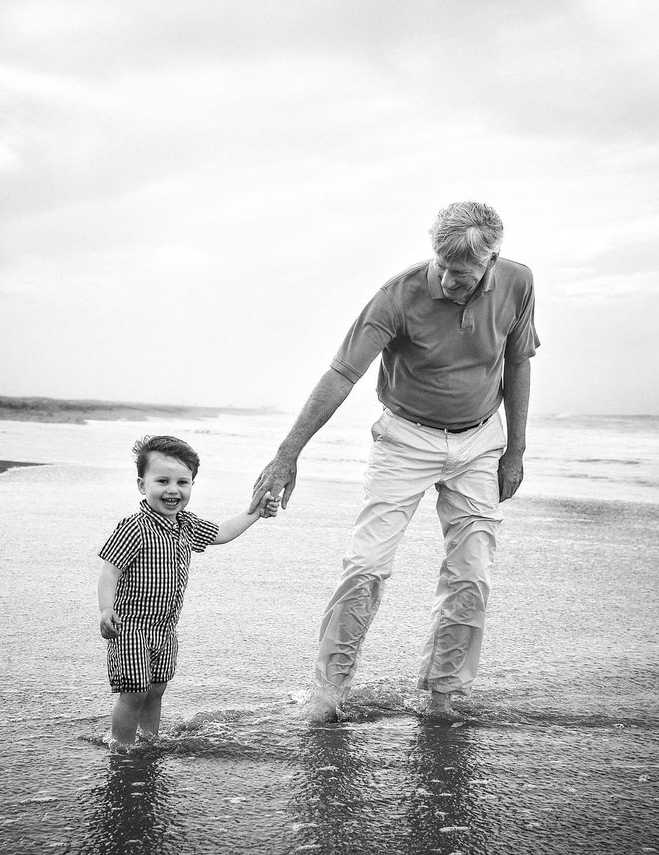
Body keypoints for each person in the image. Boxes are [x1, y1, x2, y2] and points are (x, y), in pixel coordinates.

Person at [251, 201, 539, 720]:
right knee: (366, 565)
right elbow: (342, 374)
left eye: (465, 273)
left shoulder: (518, 283)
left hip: (479, 442)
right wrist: (286, 455)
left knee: (471, 572)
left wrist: (515, 450)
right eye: (444, 267)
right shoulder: (398, 295)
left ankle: (444, 693)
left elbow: (518, 362)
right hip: (405, 438)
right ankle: (328, 690)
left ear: (492, 261)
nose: (451, 280)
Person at [98, 434, 279, 748]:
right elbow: (109, 570)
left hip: (166, 629)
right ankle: (121, 745)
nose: (173, 490)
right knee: (134, 692)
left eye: (183, 482)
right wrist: (105, 609)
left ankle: (149, 740)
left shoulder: (186, 525)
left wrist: (256, 513)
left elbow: (222, 533)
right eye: (163, 481)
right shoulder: (134, 527)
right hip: (130, 628)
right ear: (142, 486)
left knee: (156, 689)